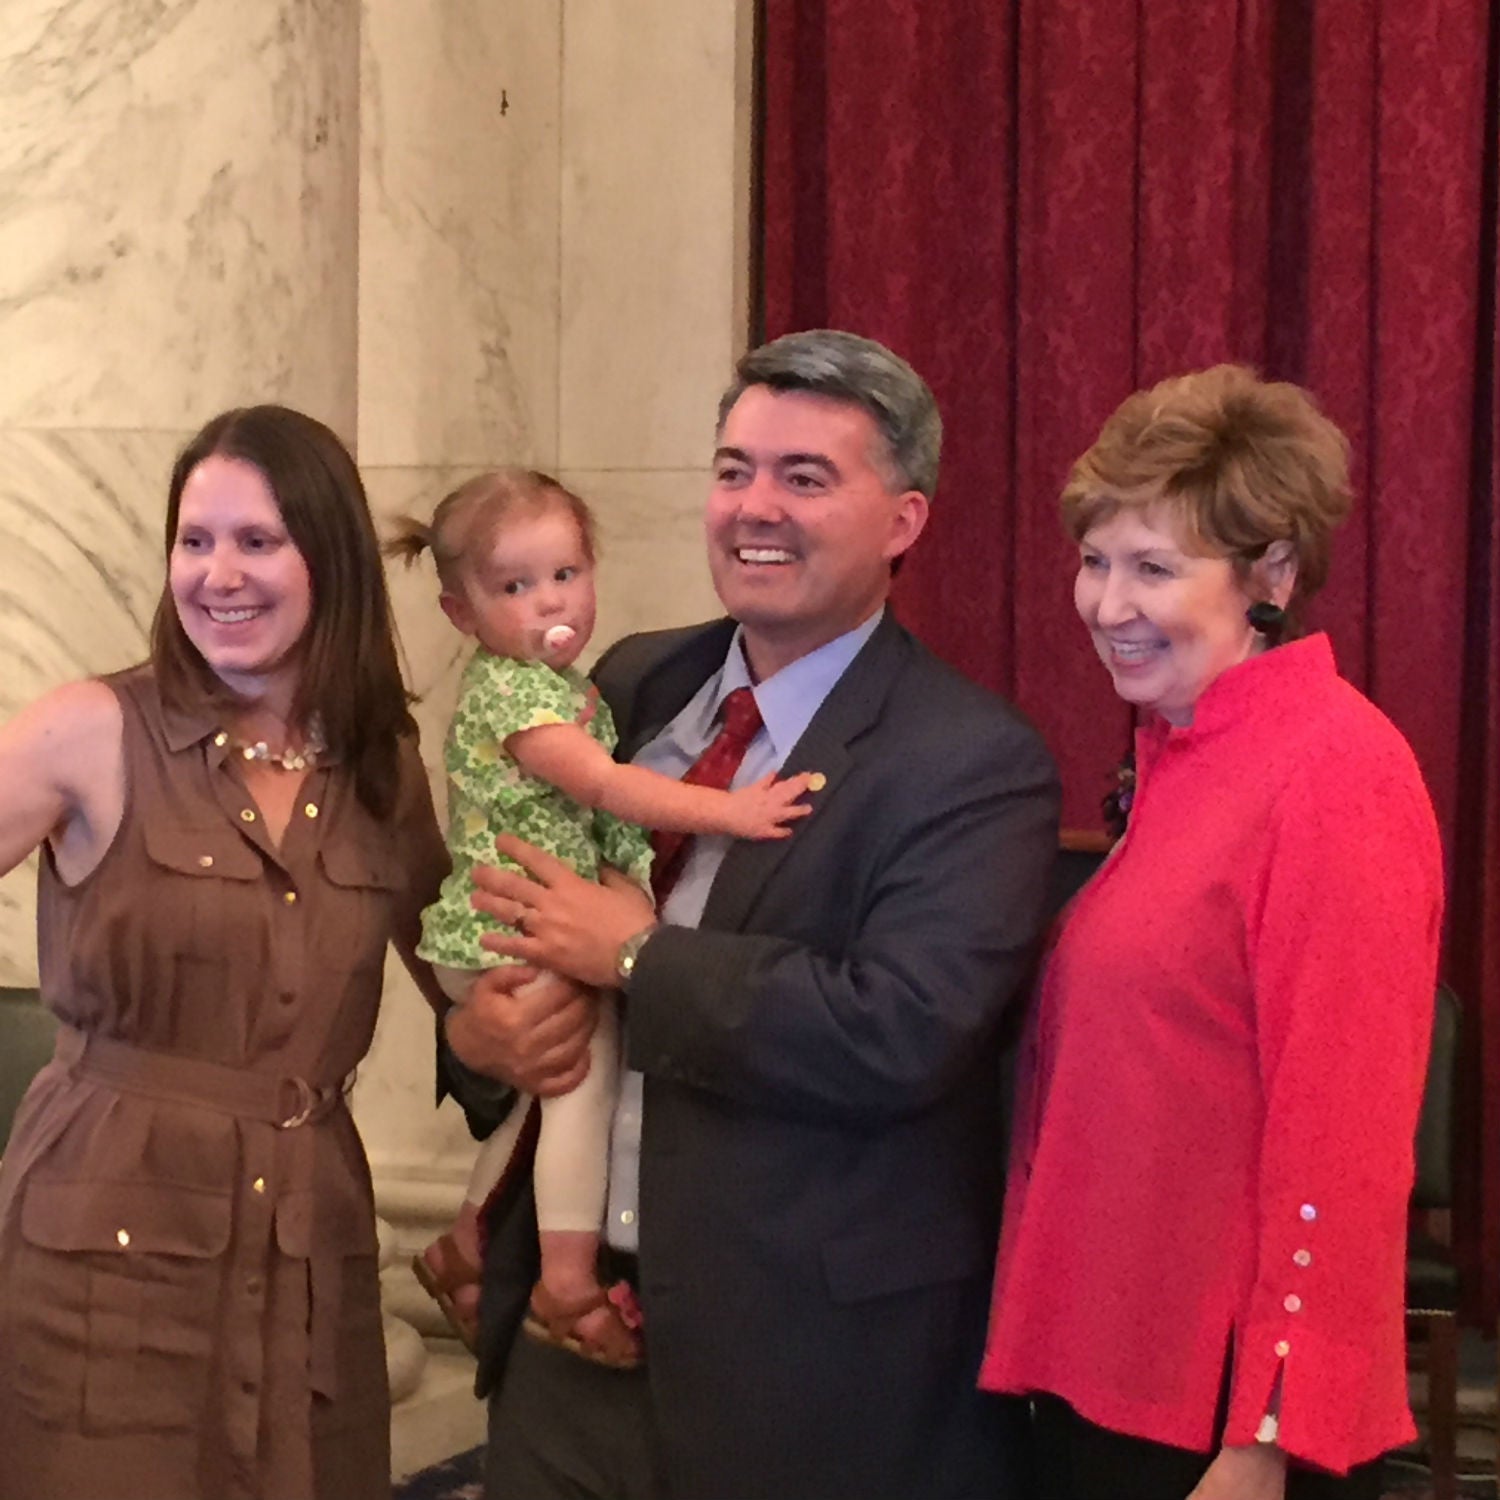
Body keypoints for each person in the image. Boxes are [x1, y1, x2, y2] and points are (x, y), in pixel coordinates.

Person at [442, 329, 1061, 1500]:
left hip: (806, 1384)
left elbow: (899, 1031)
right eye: (734, 470)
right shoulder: (625, 685)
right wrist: (478, 1041)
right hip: (568, 1354)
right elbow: (514, 912)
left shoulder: (973, 762)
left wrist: (634, 955)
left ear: (905, 520)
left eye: (804, 478)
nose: (752, 508)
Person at [979, 365, 1444, 1500]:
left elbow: (1340, 1139)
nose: (1106, 603)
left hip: (1219, 1427)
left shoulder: (1335, 770)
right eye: (1095, 561)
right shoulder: (1182, 752)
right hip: (1108, 1376)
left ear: (1270, 574)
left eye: (1155, 568)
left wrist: (1267, 1439)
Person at [0, 406, 451, 1500]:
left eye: (257, 541)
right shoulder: (87, 729)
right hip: (104, 1253)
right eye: (195, 541)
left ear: (329, 560)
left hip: (309, 1254)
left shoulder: (382, 765)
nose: (219, 574)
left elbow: (467, 989)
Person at [385, 469, 811, 1362]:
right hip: (507, 926)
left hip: (532, 919)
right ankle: (567, 1276)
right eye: (515, 587)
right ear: (462, 615)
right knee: (581, 1073)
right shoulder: (517, 695)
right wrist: (733, 811)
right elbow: (605, 785)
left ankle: (464, 1239)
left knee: (548, 1081)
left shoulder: (580, 678)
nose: (552, 602)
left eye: (566, 574)